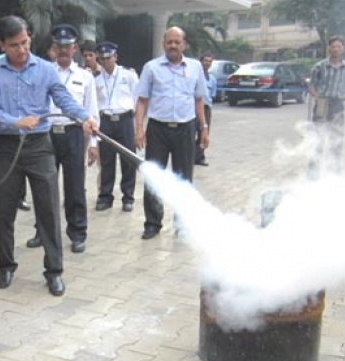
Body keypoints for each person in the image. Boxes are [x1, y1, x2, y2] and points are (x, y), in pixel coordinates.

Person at [0, 15, 98, 296]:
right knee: (5, 209)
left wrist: (85, 117)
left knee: (48, 209)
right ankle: (6, 265)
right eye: (14, 46)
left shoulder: (46, 69)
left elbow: (64, 99)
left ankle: (54, 271)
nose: (21, 50)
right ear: (2, 45)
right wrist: (15, 121)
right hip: (5, 146)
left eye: (25, 43)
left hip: (38, 147)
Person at [26, 24, 99, 254]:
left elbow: (91, 111)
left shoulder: (85, 77)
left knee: (75, 186)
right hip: (46, 135)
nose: (64, 50)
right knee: (44, 186)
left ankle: (77, 233)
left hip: (73, 135)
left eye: (68, 46)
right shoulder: (44, 72)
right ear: (54, 48)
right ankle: (42, 230)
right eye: (60, 46)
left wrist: (93, 145)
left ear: (75, 48)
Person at [135, 26, 209, 240]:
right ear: (163, 44)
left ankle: (182, 223)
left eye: (177, 42)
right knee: (153, 177)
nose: (173, 46)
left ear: (184, 44)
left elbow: (198, 100)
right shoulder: (151, 68)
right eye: (169, 42)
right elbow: (141, 100)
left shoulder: (195, 68)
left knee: (184, 177)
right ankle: (152, 223)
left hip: (186, 129)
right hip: (157, 129)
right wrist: (139, 129)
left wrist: (204, 128)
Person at [94, 41, 139, 212]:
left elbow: (137, 97)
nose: (106, 61)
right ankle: (105, 196)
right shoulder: (97, 80)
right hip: (105, 121)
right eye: (102, 59)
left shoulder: (128, 76)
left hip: (125, 119)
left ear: (116, 57)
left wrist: (136, 121)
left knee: (128, 159)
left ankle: (128, 197)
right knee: (106, 160)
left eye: (108, 57)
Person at [307, 36, 345, 176]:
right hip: (323, 104)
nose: (335, 49)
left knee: (337, 138)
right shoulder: (319, 66)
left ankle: (335, 171)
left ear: (343, 49)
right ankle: (313, 172)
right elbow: (311, 84)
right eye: (333, 46)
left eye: (338, 47)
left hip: (338, 105)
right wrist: (316, 96)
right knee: (318, 138)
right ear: (328, 48)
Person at [195, 52, 216, 167]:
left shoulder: (212, 78)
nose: (207, 63)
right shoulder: (196, 76)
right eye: (205, 60)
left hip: (207, 108)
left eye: (209, 61)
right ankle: (190, 155)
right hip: (194, 108)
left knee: (204, 132)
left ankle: (199, 157)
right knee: (191, 132)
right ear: (201, 61)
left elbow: (212, 94)